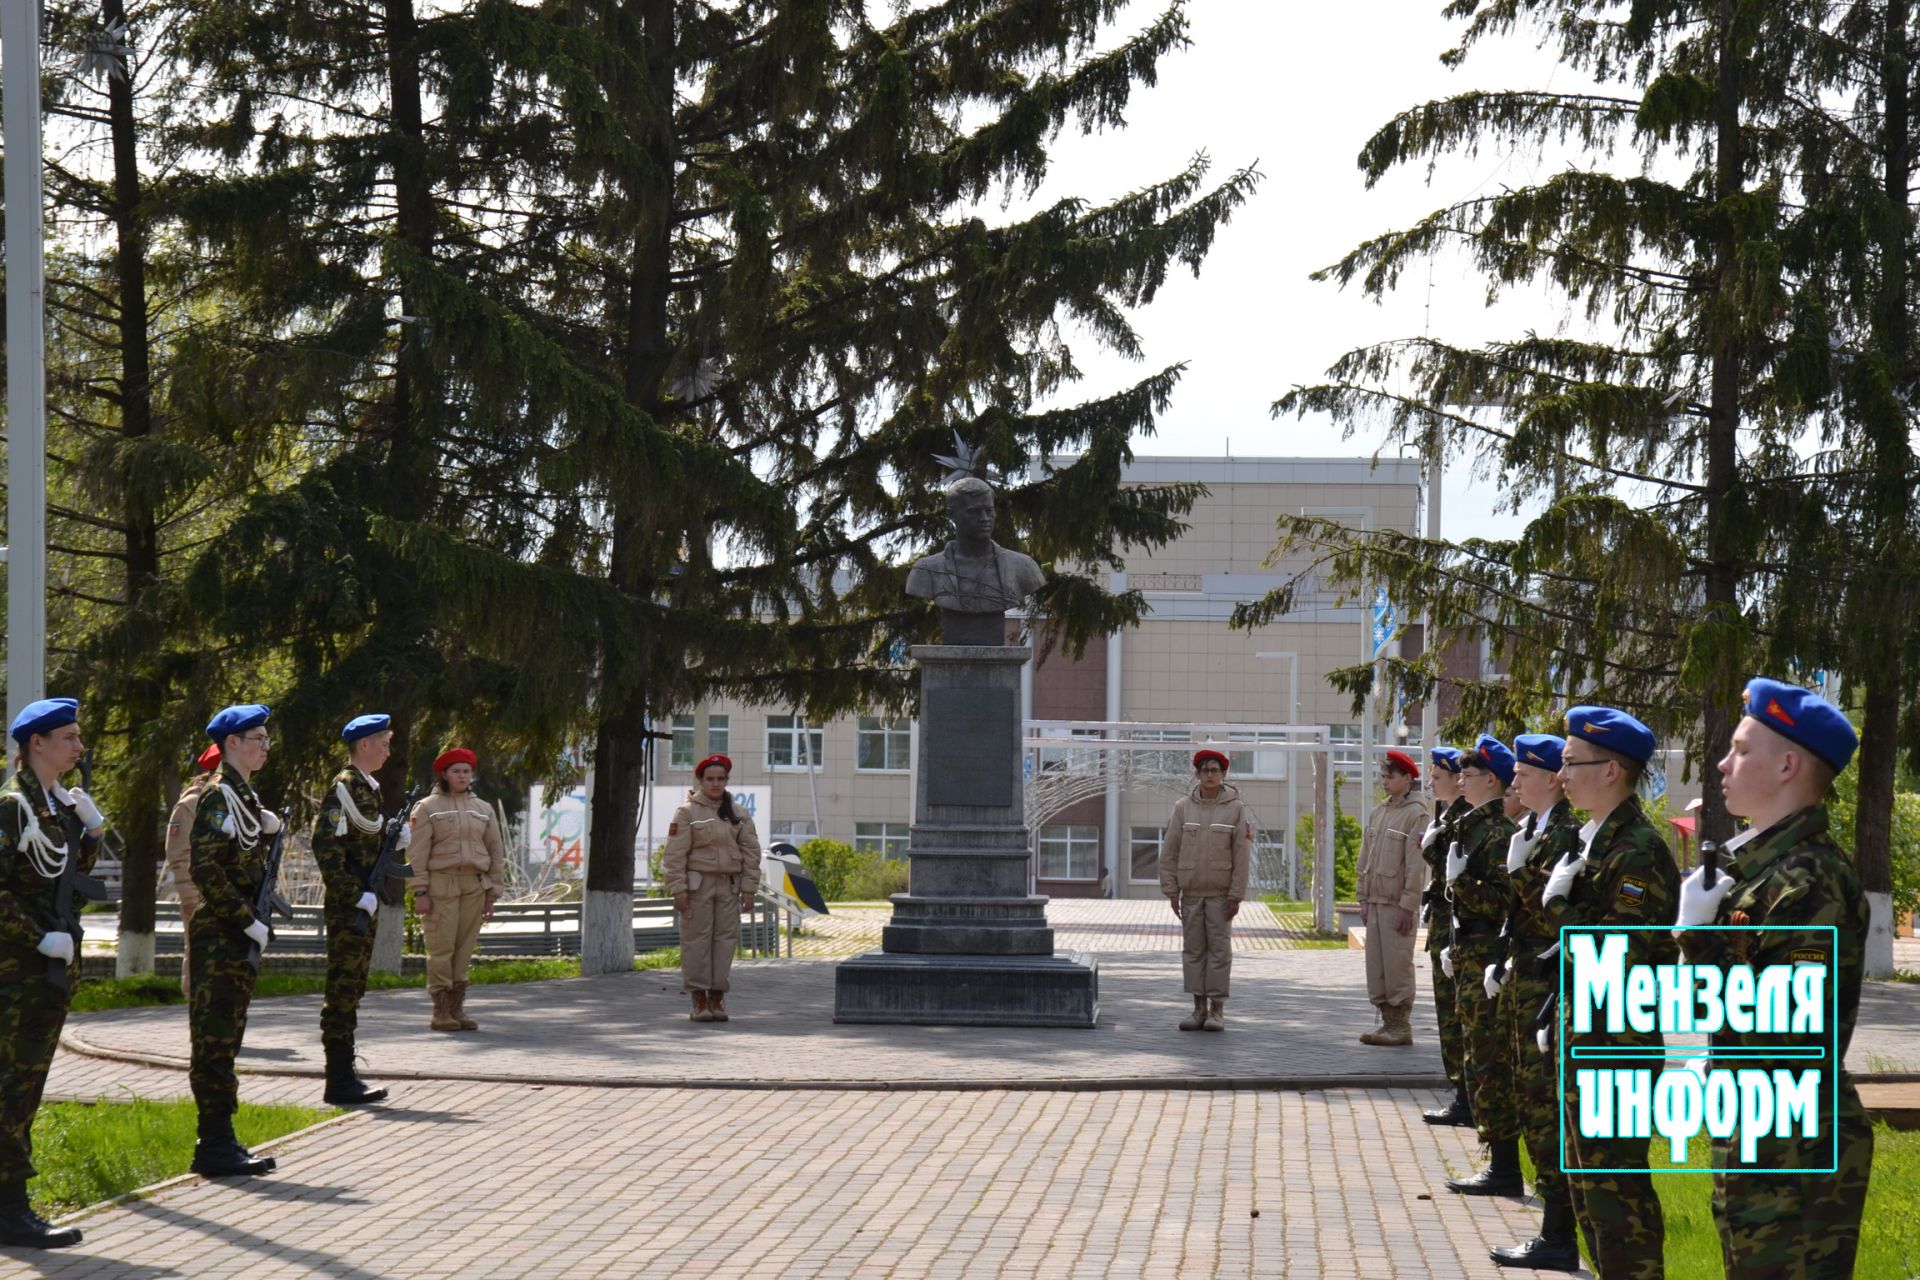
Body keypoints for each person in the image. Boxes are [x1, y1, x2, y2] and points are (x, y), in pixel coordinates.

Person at [1677, 678, 1871, 1279]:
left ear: (1788, 764)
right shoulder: (1764, 873)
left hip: (1795, 1153)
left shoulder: (1809, 881)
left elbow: (1784, 1032)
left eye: (1740, 749)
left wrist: (1698, 938)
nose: (1722, 762)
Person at [1541, 705, 1679, 1279]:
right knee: (1589, 1189)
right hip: (1592, 1034)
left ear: (1612, 771)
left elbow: (1616, 951)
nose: (1560, 775)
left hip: (1618, 1045)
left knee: (1617, 1195)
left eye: (1572, 763)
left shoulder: (1637, 850)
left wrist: (1557, 906)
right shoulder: (1595, 841)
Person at [0, 699, 104, 1249]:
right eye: (69, 737)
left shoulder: (55, 806)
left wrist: (88, 834)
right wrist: (36, 935)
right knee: (10, 1091)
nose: (79, 748)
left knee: (26, 1090)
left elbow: (66, 879)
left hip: (47, 971)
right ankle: (11, 1211)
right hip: (16, 972)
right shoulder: (11, 807)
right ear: (36, 743)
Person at [1488, 732, 1582, 1271]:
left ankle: (1558, 1234)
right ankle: (1553, 1227)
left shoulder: (1566, 832)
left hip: (1546, 982)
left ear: (1551, 779)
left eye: (1526, 773)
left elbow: (1551, 912)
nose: (1515, 781)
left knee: (1546, 1113)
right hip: (1523, 972)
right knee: (1531, 1102)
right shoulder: (1532, 828)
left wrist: (1521, 873)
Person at [188, 703, 285, 1177]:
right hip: (221, 934)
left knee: (228, 1036)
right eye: (257, 739)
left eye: (266, 738)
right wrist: (245, 919)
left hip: (236, 933)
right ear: (232, 744)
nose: (265, 746)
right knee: (215, 1039)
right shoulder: (218, 796)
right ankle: (214, 1144)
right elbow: (204, 868)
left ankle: (222, 1138)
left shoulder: (243, 798)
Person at [1442, 734, 1522, 1195]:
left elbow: (1500, 902)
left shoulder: (1496, 833)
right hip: (1470, 952)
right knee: (1477, 1056)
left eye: (1466, 775)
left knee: (1489, 1061)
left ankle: (1505, 1167)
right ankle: (1498, 1159)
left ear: (1490, 779)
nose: (1459, 781)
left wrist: (1462, 885)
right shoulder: (1473, 825)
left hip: (1488, 955)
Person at [311, 714, 401, 1105]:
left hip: (364, 899)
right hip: (351, 905)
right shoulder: (344, 788)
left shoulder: (366, 788)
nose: (387, 748)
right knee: (342, 989)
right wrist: (352, 894)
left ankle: (345, 1074)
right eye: (383, 741)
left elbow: (360, 842)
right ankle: (339, 1079)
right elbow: (325, 847)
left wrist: (392, 838)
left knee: (354, 987)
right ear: (363, 744)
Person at [407, 747, 505, 1032]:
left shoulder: (483, 809)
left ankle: (457, 1009)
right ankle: (440, 1010)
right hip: (441, 886)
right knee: (441, 948)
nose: (463, 776)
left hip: (474, 885)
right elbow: (417, 852)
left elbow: (495, 851)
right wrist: (421, 891)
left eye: (466, 771)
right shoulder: (427, 807)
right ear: (444, 775)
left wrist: (492, 892)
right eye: (456, 771)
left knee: (463, 951)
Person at [1158, 749, 1255, 1032]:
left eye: (1215, 770)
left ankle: (1217, 1010)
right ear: (1197, 775)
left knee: (1219, 952)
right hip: (1191, 894)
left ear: (1224, 774)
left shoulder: (1236, 809)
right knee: (1193, 951)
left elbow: (1241, 855)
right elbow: (1170, 851)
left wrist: (1236, 895)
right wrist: (1171, 890)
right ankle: (1198, 1008)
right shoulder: (1182, 808)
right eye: (1204, 770)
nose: (1210, 775)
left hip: (1220, 895)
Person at [662, 754, 762, 1022]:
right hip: (698, 886)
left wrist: (749, 889)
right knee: (696, 941)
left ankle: (717, 996)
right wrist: (678, 890)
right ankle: (698, 997)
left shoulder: (738, 813)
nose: (716, 784)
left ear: (727, 780)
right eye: (710, 779)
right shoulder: (687, 813)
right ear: (701, 781)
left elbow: (751, 853)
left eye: (721, 779)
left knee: (725, 941)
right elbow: (674, 855)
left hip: (729, 886)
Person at [1357, 749, 1428, 1046]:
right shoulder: (1380, 811)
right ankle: (1387, 1022)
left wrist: (1408, 905)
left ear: (1408, 778)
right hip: (1375, 900)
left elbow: (1416, 865)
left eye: (1391, 777)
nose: (1384, 782)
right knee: (1377, 967)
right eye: (1383, 776)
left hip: (1396, 903)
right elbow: (1365, 856)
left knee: (1398, 965)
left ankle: (1401, 1026)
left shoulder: (1417, 814)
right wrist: (1362, 896)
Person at [1420, 746, 1475, 1125]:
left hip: (1456, 928)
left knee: (1456, 1015)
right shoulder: (1446, 816)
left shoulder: (1463, 819)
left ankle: (1464, 1096)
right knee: (1447, 1013)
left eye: (1436, 777)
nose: (1430, 782)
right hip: (1443, 923)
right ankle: (1461, 1092)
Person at [164, 743, 224, 998]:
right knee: (200, 957)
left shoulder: (234, 799)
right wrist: (190, 898)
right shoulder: (191, 803)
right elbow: (178, 854)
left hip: (227, 896)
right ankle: (197, 1012)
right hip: (200, 898)